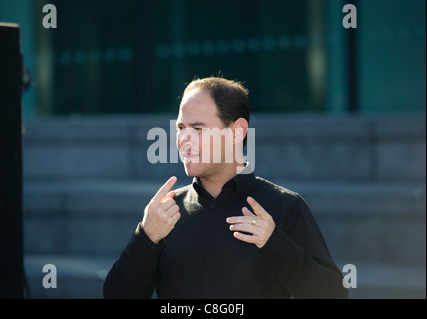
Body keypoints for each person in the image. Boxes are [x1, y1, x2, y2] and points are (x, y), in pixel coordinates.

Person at [103, 77, 348, 299]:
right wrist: (146, 237)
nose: (183, 141)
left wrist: (275, 243)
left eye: (197, 129)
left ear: (236, 132)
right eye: (180, 128)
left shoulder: (284, 206)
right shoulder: (166, 213)